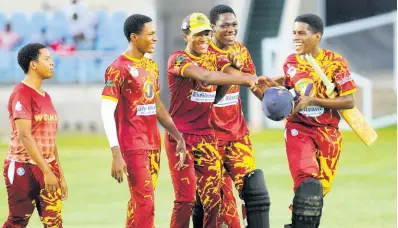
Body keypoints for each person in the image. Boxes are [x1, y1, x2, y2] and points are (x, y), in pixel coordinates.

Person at [166, 12, 268, 228]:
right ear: (186, 37)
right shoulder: (179, 58)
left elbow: (225, 78)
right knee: (187, 200)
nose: (203, 38)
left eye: (206, 34)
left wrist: (260, 84)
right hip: (182, 137)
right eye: (198, 34)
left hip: (208, 137)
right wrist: (247, 78)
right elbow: (206, 76)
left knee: (216, 200)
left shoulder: (219, 57)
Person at [254, 14, 356, 228]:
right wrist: (269, 88)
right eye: (294, 33)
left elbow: (348, 101)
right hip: (298, 129)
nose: (296, 37)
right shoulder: (290, 61)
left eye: (302, 33)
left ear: (317, 36)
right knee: (307, 182)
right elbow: (289, 91)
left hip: (328, 133)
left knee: (317, 192)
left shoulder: (335, 63)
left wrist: (314, 100)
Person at [100, 14, 186, 228]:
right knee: (146, 203)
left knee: (139, 203)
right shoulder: (118, 68)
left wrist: (177, 136)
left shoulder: (151, 66)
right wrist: (115, 152)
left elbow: (157, 107)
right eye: (150, 34)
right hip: (132, 146)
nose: (155, 38)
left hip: (153, 144)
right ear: (134, 37)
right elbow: (106, 111)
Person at [3, 43, 68, 227]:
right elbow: (25, 136)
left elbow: (51, 140)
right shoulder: (21, 93)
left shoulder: (45, 96)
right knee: (18, 221)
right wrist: (47, 171)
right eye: (47, 59)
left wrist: (59, 174)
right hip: (23, 166)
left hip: (48, 167)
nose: (52, 63)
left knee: (54, 222)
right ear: (33, 64)